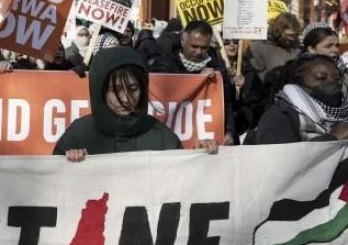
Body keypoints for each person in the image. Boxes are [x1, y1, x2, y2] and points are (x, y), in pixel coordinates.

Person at [54, 46, 218, 160]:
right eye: (115, 90)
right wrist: (67, 164)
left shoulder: (162, 138)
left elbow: (182, 185)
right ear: (99, 90)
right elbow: (52, 187)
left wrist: (200, 157)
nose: (126, 99)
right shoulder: (78, 135)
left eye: (133, 89)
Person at [151, 20, 236, 144]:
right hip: (171, 140)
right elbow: (158, 99)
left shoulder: (217, 67)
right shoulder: (164, 65)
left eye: (204, 47)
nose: (199, 52)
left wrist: (229, 131)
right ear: (183, 41)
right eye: (194, 46)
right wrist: (196, 80)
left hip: (206, 142)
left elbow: (226, 103)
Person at [254, 53, 348, 144]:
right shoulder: (280, 116)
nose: (331, 81)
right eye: (321, 77)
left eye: (337, 78)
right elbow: (278, 153)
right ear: (298, 81)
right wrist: (333, 137)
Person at [245, 12, 301, 83]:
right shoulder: (257, 47)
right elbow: (255, 79)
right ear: (278, 31)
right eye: (289, 35)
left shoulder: (298, 49)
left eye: (295, 35)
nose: (292, 39)